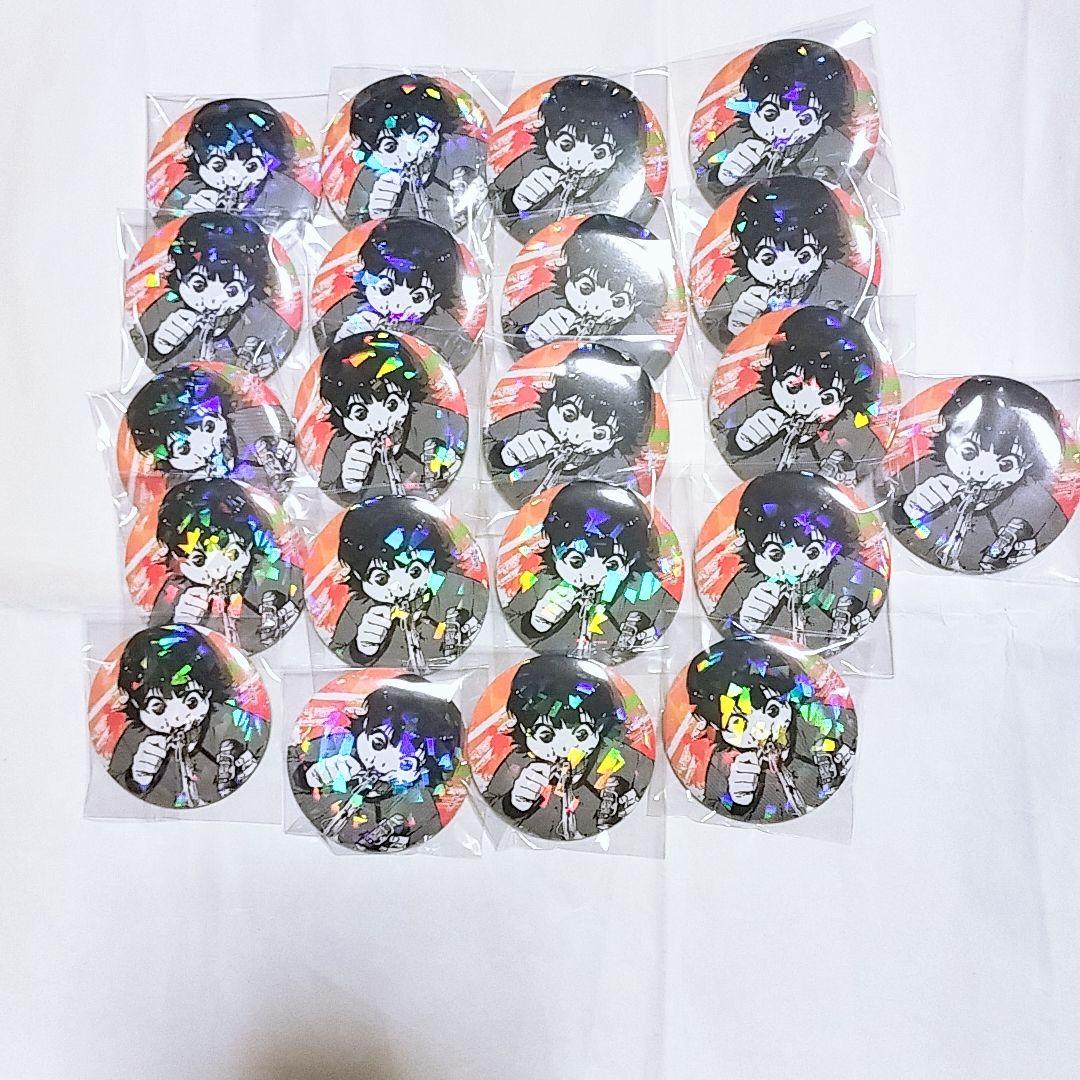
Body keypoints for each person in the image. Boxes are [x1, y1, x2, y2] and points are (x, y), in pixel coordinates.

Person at [890, 377, 1068, 571]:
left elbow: (1057, 554)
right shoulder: (918, 473)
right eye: (969, 452)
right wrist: (905, 509)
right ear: (948, 433)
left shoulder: (1042, 511)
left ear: (1030, 463)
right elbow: (880, 513)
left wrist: (1030, 558)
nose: (981, 473)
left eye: (1006, 465)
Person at [712, 472, 886, 649]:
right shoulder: (744, 586)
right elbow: (718, 628)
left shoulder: (860, 579)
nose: (795, 569)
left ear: (834, 544)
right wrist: (743, 624)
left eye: (812, 552)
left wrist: (867, 622)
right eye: (775, 555)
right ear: (751, 545)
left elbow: (877, 600)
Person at [686, 636, 853, 820]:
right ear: (717, 727)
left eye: (772, 711)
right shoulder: (722, 766)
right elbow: (715, 810)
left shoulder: (814, 722)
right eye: (738, 724)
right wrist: (738, 803)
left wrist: (846, 752)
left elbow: (848, 728)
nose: (761, 730)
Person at [483, 655, 648, 839]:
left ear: (600, 727)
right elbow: (487, 808)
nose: (564, 750)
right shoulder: (518, 763)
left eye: (581, 734)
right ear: (523, 728)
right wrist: (513, 804)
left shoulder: (628, 760)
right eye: (546, 736)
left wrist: (636, 809)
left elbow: (653, 794)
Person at [289, 676, 461, 851]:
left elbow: (424, 838)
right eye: (378, 744)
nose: (382, 765)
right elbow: (290, 763)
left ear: (424, 769)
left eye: (406, 764)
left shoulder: (419, 805)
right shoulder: (334, 747)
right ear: (365, 724)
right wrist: (305, 777)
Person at [712, 306, 882, 482]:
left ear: (847, 398)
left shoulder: (853, 430)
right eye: (793, 387)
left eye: (827, 398)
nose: (805, 405)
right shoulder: (754, 403)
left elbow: (876, 464)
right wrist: (738, 441)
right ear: (775, 370)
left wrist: (849, 476)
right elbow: (717, 436)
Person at [700, 176, 872, 348]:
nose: (785, 273)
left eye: (804, 257)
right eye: (768, 259)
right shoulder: (734, 288)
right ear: (745, 251)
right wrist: (732, 328)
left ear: (823, 248)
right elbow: (709, 324)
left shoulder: (848, 284)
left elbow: (866, 312)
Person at [505, 480, 665, 660]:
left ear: (631, 561)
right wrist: (533, 624)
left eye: (612, 565)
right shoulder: (542, 583)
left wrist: (653, 634)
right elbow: (508, 622)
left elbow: (667, 623)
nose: (592, 578)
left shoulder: (648, 591)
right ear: (555, 551)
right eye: (576, 562)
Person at [108, 624, 263, 808]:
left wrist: (254, 775)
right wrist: (135, 779)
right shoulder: (133, 739)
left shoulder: (235, 722)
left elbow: (266, 750)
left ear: (208, 691)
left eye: (191, 702)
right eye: (158, 708)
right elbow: (111, 795)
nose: (177, 719)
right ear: (136, 705)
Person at [330, 495, 484, 670]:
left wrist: (476, 635)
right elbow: (336, 652)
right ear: (358, 575)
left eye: (414, 571)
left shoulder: (463, 591)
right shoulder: (358, 609)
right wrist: (360, 649)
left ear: (432, 560)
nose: (401, 588)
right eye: (381, 579)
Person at [504, 214, 670, 375]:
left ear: (638, 302)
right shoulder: (548, 301)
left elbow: (656, 361)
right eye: (586, 289)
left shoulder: (640, 335)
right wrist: (529, 337)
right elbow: (508, 329)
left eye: (618, 302)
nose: (596, 308)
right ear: (568, 271)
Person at [486, 343, 654, 502]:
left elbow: (631, 504)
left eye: (599, 434)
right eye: (569, 416)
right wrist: (504, 455)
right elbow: (486, 443)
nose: (576, 436)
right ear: (554, 397)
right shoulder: (527, 421)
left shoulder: (615, 469)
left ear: (619, 438)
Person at [148, 479, 303, 652]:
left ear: (248, 543)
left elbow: (298, 590)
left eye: (232, 554)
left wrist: (287, 612)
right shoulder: (175, 593)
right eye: (198, 560)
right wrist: (181, 626)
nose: (218, 571)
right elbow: (154, 642)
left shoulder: (271, 572)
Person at [694, 39, 857, 198]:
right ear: (751, 105)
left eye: (804, 119)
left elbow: (853, 179)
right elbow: (699, 174)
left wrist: (830, 181)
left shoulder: (835, 146)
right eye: (770, 115)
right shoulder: (733, 138)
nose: (784, 131)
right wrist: (720, 177)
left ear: (825, 115)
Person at [316, 333, 466, 504]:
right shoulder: (340, 447)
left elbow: (464, 440)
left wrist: (451, 462)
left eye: (392, 404)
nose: (380, 423)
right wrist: (346, 485)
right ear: (338, 411)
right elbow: (326, 490)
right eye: (360, 414)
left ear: (407, 393)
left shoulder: (436, 420)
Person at [132, 213, 289, 376]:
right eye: (199, 286)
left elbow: (283, 339)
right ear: (179, 274)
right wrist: (157, 346)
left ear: (250, 287)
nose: (213, 302)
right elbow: (137, 344)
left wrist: (269, 359)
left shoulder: (258, 315)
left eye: (232, 291)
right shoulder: (164, 307)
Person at [494, 75, 649, 237]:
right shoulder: (530, 162)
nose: (578, 163)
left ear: (619, 152)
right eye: (566, 145)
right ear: (548, 131)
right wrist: (513, 202)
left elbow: (643, 210)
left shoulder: (622, 182)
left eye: (599, 153)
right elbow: (489, 197)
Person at [342, 75, 486, 229]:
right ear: (371, 151)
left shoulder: (464, 150)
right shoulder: (370, 178)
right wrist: (372, 216)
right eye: (390, 147)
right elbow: (351, 226)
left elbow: (494, 181)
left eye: (422, 136)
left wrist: (477, 194)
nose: (410, 154)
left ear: (437, 126)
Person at [127, 365, 296, 495]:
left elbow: (279, 436)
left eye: (209, 427)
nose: (206, 447)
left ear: (221, 410)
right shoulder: (180, 488)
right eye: (184, 449)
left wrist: (280, 452)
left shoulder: (253, 424)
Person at [159, 97, 314, 219]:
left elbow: (302, 222)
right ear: (197, 158)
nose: (233, 179)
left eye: (251, 167)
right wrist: (185, 217)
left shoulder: (289, 192)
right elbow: (163, 224)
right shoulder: (188, 190)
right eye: (218, 166)